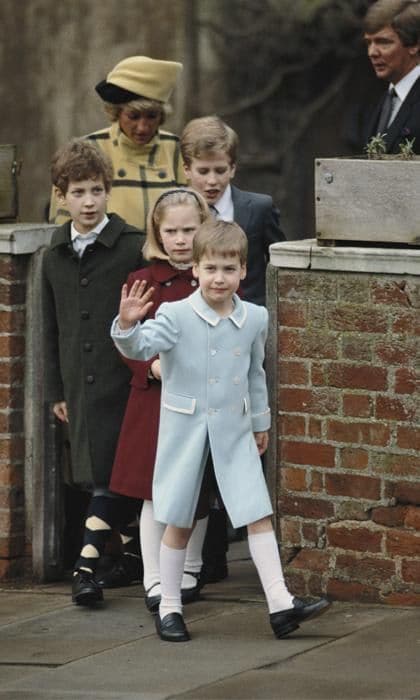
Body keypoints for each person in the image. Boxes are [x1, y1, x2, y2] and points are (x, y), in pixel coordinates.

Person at [111, 219, 330, 642]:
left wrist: (260, 422)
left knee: (256, 513)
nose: (219, 278)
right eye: (210, 268)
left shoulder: (255, 318)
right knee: (178, 518)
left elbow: (254, 374)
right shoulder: (174, 315)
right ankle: (170, 607)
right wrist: (126, 325)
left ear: (244, 271)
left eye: (229, 269)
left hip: (234, 431)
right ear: (194, 269)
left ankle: (281, 604)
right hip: (184, 431)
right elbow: (139, 347)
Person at [180, 115, 287, 583]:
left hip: (243, 340)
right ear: (186, 169)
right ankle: (204, 561)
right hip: (195, 343)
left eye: (219, 170)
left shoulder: (258, 208)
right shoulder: (179, 210)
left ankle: (234, 540)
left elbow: (277, 267)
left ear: (233, 169)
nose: (210, 180)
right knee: (198, 448)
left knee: (239, 444)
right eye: (202, 170)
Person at [42, 138, 144, 606]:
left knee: (111, 476)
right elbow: (51, 326)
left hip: (123, 383)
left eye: (96, 191)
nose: (88, 201)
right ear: (60, 196)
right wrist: (55, 390)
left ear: (108, 192)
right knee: (93, 475)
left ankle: (85, 570)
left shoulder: (131, 245)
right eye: (78, 192)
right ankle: (129, 558)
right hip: (78, 387)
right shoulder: (54, 253)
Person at [109, 188, 212, 612]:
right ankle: (154, 576)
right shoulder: (143, 281)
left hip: (203, 398)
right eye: (172, 231)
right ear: (157, 233)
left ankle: (189, 566)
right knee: (155, 491)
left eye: (190, 229)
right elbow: (124, 337)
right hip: (154, 400)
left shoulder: (211, 276)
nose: (181, 239)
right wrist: (149, 367)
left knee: (198, 487)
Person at [49, 56, 185, 230]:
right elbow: (62, 222)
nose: (143, 128)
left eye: (152, 116)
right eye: (133, 117)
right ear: (116, 113)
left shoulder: (175, 148)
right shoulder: (88, 149)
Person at [362, 0, 420, 153]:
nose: (372, 52)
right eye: (369, 43)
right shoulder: (384, 100)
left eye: (383, 42)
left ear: (414, 45)